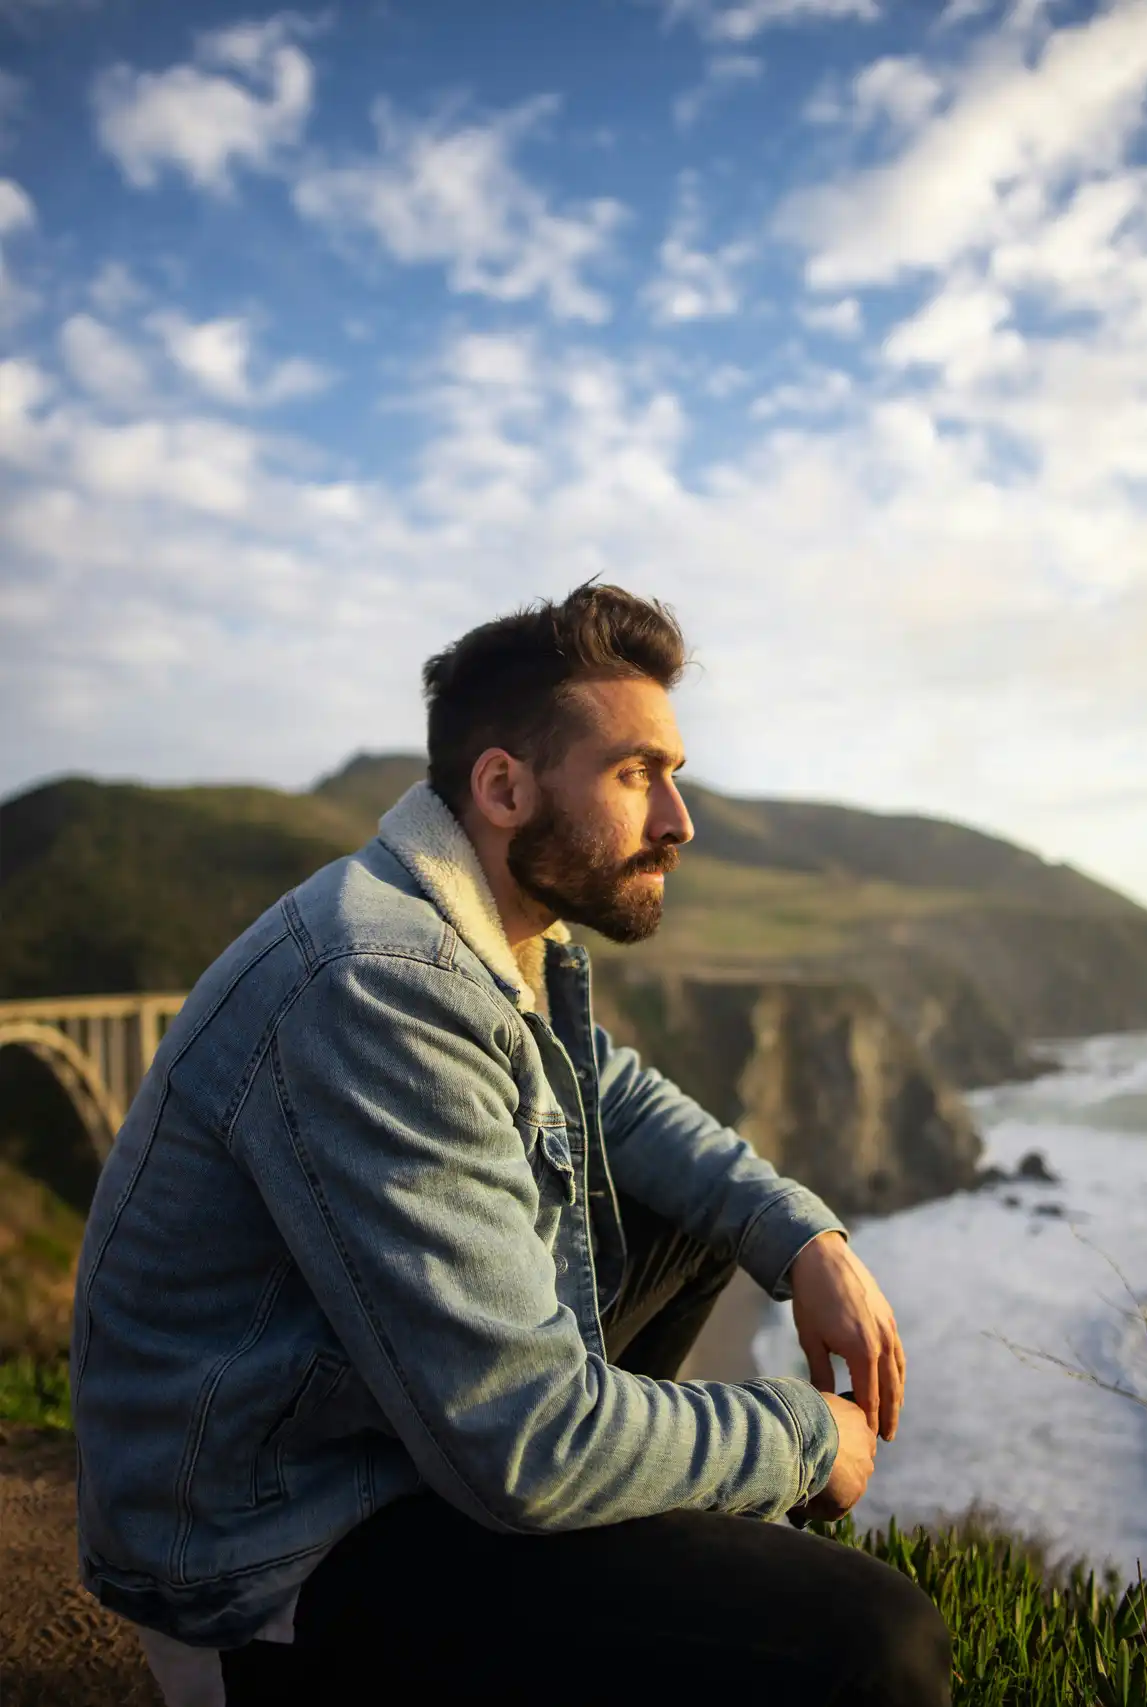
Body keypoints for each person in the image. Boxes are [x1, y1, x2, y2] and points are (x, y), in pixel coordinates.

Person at [71, 583, 952, 1704]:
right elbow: (526, 1435)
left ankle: (605, 1558)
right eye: (640, 776)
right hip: (268, 1555)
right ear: (502, 787)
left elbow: (617, 1104)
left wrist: (802, 1238)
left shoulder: (480, 933)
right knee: (878, 1644)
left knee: (684, 1212)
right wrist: (799, 1434)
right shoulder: (380, 987)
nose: (678, 822)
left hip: (380, 1437)